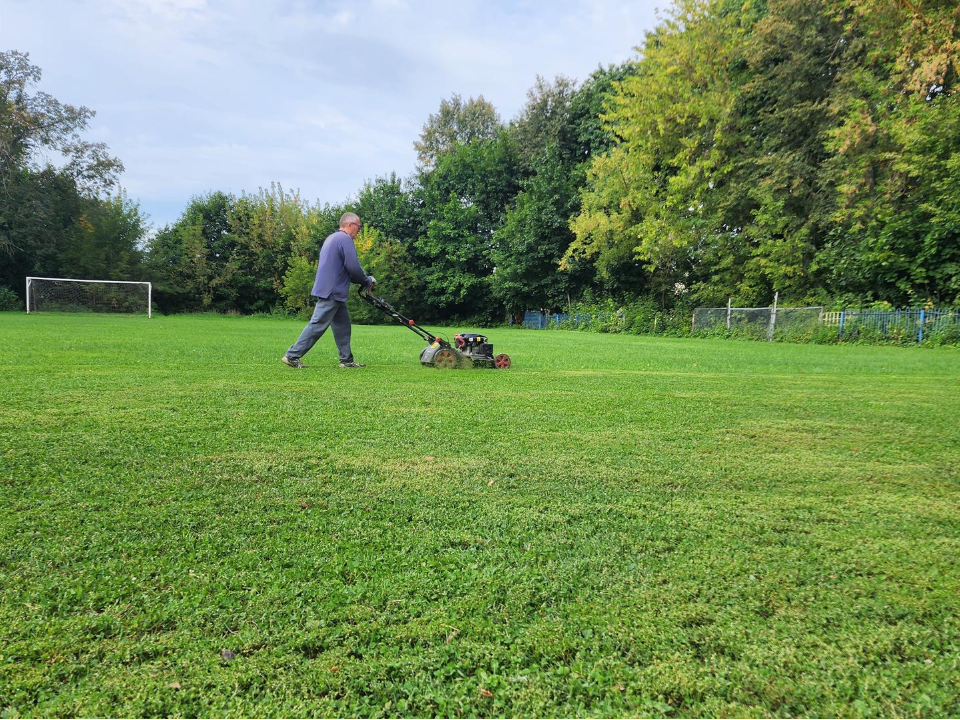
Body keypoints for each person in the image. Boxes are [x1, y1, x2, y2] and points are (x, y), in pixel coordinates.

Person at [281, 212, 376, 369]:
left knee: (343, 325)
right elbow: (352, 267)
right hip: (332, 291)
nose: (358, 232)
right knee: (317, 324)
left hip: (332, 290)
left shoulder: (332, 238)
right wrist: (367, 281)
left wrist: (362, 281)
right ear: (350, 225)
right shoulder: (344, 239)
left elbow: (344, 269)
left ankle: (346, 360)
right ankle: (292, 355)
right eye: (358, 228)